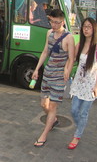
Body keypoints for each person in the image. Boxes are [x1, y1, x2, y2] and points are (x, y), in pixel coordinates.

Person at [31, 9, 75, 147]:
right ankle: (53, 119)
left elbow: (71, 58)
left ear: (62, 21)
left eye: (57, 23)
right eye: (52, 22)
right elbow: (45, 51)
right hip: (47, 73)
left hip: (59, 78)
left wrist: (67, 71)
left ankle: (43, 135)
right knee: (44, 105)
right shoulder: (49, 33)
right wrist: (37, 69)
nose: (54, 25)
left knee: (53, 106)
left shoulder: (69, 37)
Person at [67, 18, 97, 149]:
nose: (86, 29)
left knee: (83, 113)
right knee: (74, 110)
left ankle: (77, 135)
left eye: (89, 27)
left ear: (94, 29)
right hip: (78, 83)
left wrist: (96, 86)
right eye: (84, 26)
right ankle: (80, 128)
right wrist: (66, 71)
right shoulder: (80, 44)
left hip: (91, 85)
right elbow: (71, 58)